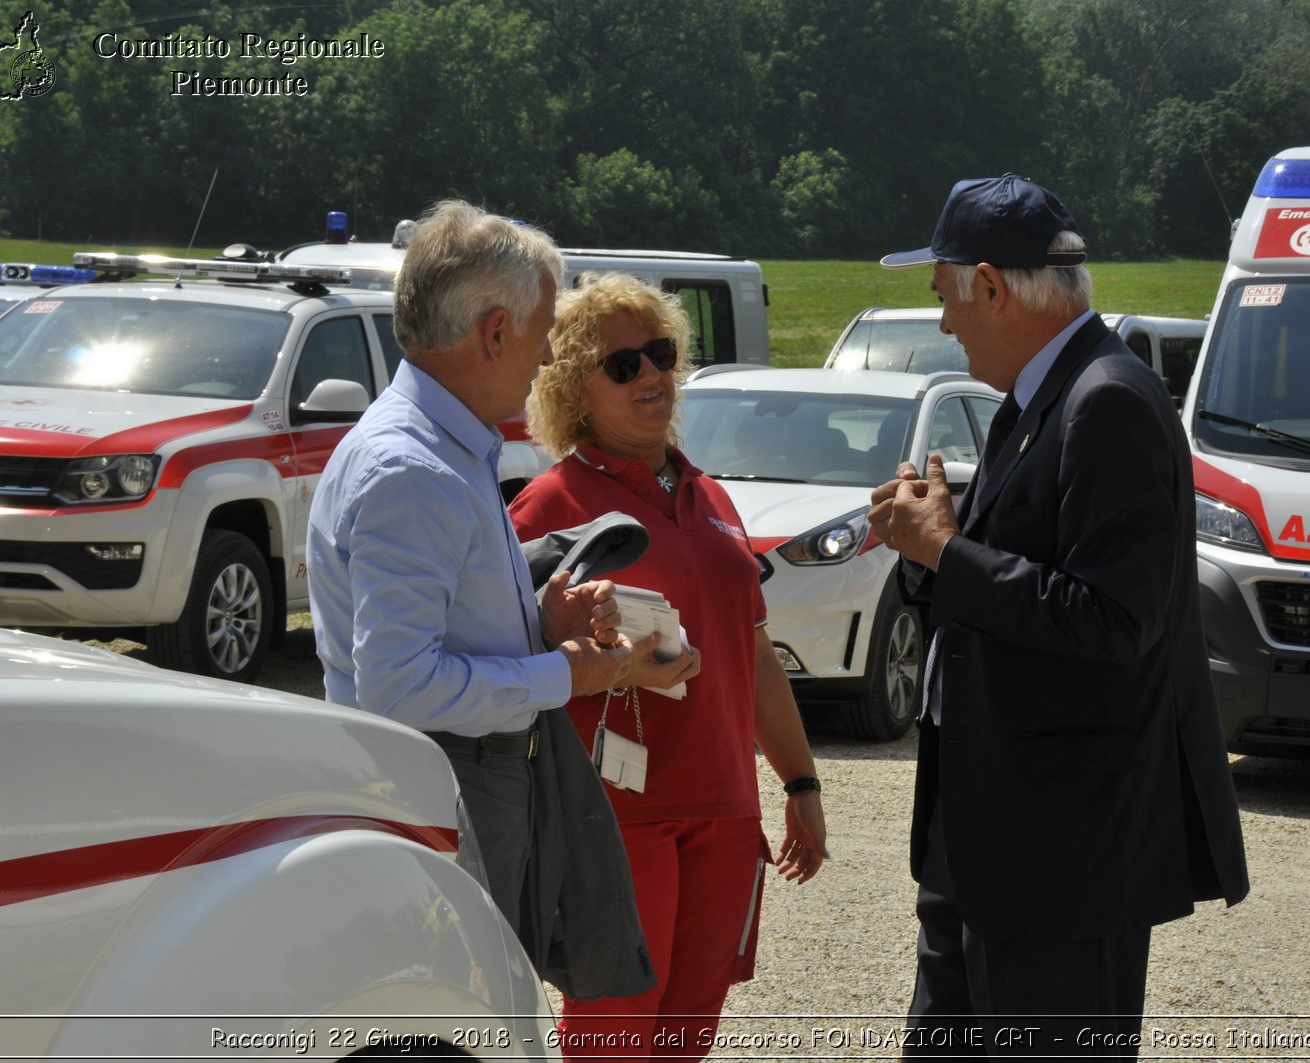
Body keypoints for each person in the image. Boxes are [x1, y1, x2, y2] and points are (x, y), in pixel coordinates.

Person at [869, 175, 1250, 1058]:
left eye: (944, 296)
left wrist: (946, 553)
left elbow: (1114, 621)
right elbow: (1018, 583)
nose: (943, 323)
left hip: (1061, 866)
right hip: (995, 846)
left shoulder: (1104, 399)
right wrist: (937, 549)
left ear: (992, 287)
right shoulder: (1045, 397)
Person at [306, 200, 654, 1000]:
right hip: (446, 789)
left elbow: (428, 641)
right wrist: (562, 674)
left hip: (463, 780)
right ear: (495, 331)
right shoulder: (414, 468)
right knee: (464, 1019)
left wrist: (541, 629)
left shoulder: (436, 447)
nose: (545, 357)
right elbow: (399, 686)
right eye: (540, 334)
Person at [510, 271, 829, 1060]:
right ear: (574, 389)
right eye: (624, 365)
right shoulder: (549, 506)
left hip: (724, 810)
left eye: (660, 354)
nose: (652, 375)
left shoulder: (713, 498)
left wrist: (800, 783)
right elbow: (507, 662)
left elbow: (752, 655)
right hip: (616, 816)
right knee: (613, 1039)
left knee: (688, 1038)